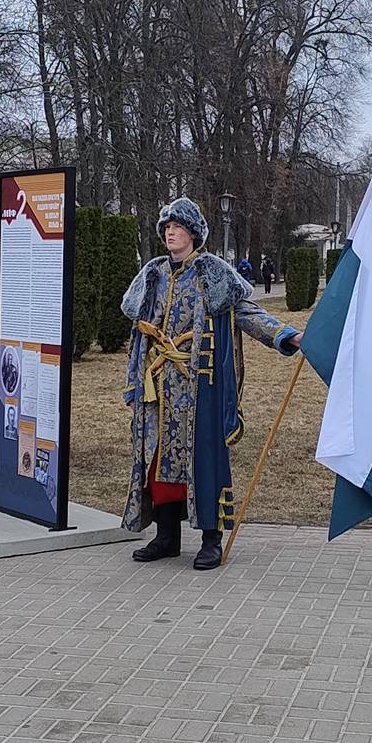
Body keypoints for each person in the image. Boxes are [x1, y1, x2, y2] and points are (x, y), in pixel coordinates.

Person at [121, 198, 302, 570]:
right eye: (166, 227)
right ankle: (166, 537)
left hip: (198, 387)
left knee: (203, 460)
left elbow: (245, 313)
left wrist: (287, 335)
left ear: (193, 233)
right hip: (157, 387)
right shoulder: (153, 274)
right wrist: (134, 381)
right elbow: (139, 333)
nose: (170, 233)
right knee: (158, 460)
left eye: (177, 227)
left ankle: (210, 539)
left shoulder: (212, 273)